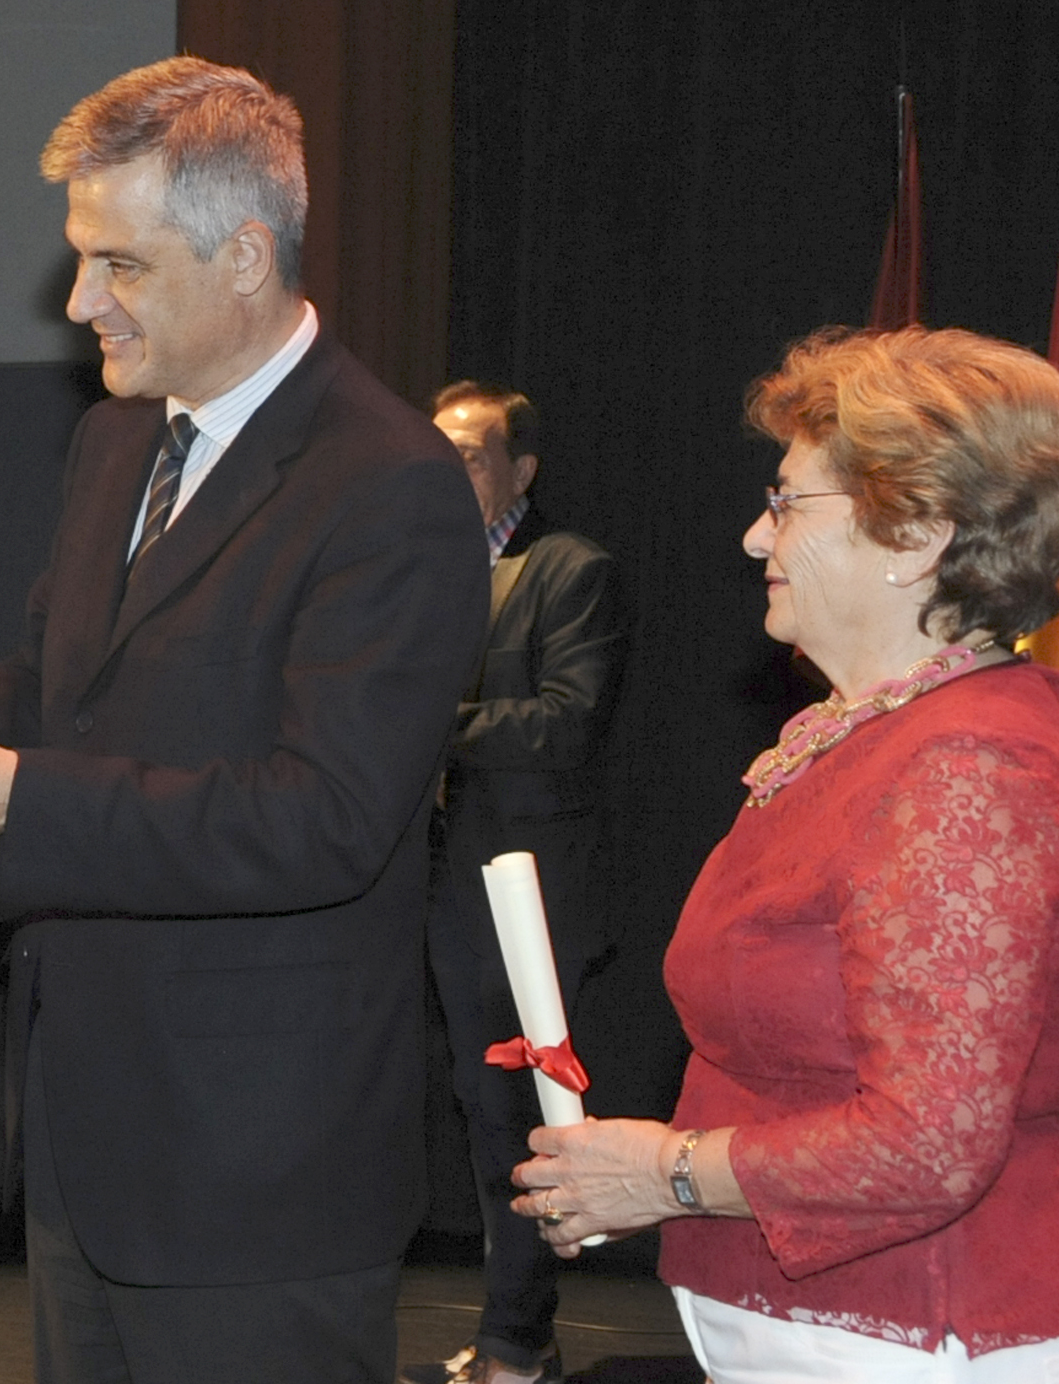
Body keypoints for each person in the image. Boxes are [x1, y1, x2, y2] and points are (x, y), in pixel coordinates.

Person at [0, 57, 487, 1384]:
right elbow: (58, 689)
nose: (77, 304)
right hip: (86, 1150)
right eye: (80, 261)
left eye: (117, 265)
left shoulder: (388, 484)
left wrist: (18, 799)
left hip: (259, 1180)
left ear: (245, 257)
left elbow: (325, 822)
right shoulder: (121, 442)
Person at [510, 326, 1059, 1382]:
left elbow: (926, 1144)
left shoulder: (967, 771)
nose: (756, 538)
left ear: (918, 533)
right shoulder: (876, 735)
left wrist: (664, 1171)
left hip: (930, 1347)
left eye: (788, 502)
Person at [405, 385, 630, 1384]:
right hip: (430, 881)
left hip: (526, 894)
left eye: (468, 453)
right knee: (467, 1104)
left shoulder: (568, 570)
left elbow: (566, 721)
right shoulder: (415, 570)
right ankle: (512, 1336)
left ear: (520, 470)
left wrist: (429, 721)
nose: (446, 468)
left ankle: (514, 1345)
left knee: (517, 1120)